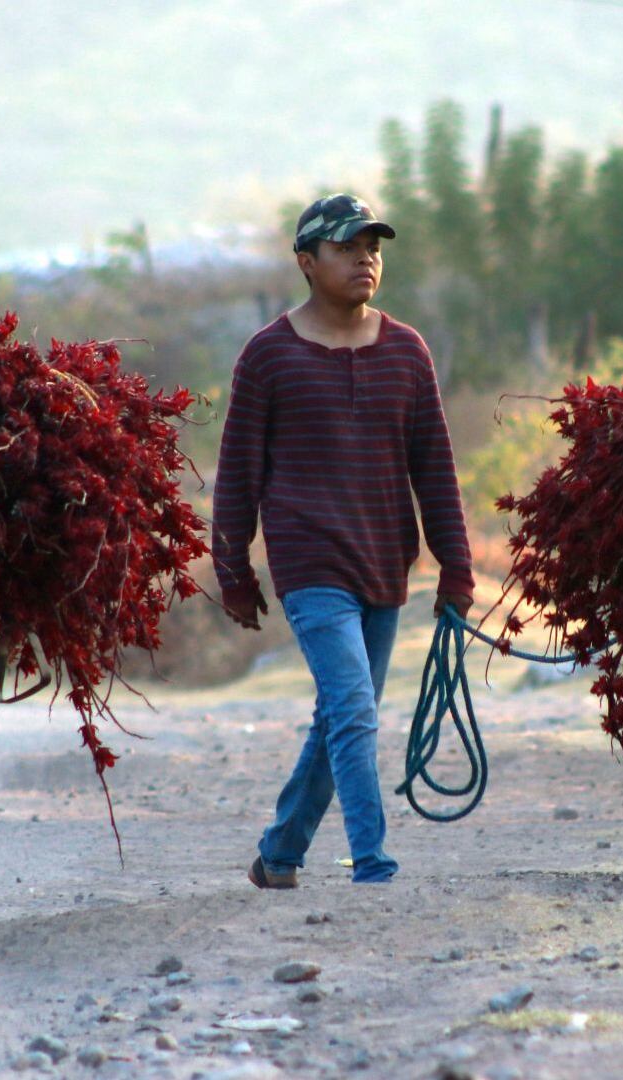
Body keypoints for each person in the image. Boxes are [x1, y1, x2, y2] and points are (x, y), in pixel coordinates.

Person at [212, 192, 475, 887]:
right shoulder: (268, 355)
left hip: (386, 562)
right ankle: (374, 864)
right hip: (309, 561)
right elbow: (237, 473)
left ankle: (279, 854)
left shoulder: (406, 350)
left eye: (374, 247)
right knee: (355, 708)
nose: (366, 258)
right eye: (347, 247)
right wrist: (234, 571)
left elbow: (435, 469)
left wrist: (456, 568)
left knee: (340, 715)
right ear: (306, 261)